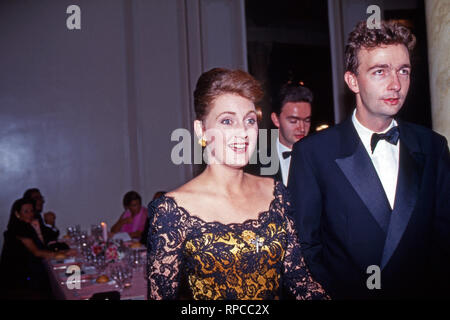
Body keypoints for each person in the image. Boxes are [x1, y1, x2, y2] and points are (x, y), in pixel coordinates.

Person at [288, 20, 450, 299]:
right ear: (352, 81)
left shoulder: (433, 146)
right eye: (380, 72)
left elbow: (444, 238)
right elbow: (305, 248)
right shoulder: (314, 153)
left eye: (403, 71)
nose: (396, 84)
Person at [147, 68, 328, 300]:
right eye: (227, 121)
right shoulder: (171, 211)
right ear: (201, 130)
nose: (242, 132)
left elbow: (299, 280)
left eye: (250, 120)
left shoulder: (276, 194)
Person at [0, 198, 75, 299]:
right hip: (18, 279)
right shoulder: (19, 229)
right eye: (26, 211)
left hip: (24, 273)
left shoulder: (26, 226)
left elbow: (42, 245)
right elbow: (36, 252)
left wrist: (62, 252)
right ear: (17, 214)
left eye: (31, 211)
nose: (30, 214)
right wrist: (64, 255)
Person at [268, 83, 313, 185]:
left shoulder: (321, 157)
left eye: (307, 120)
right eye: (293, 121)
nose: (302, 128)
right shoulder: (257, 162)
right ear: (276, 119)